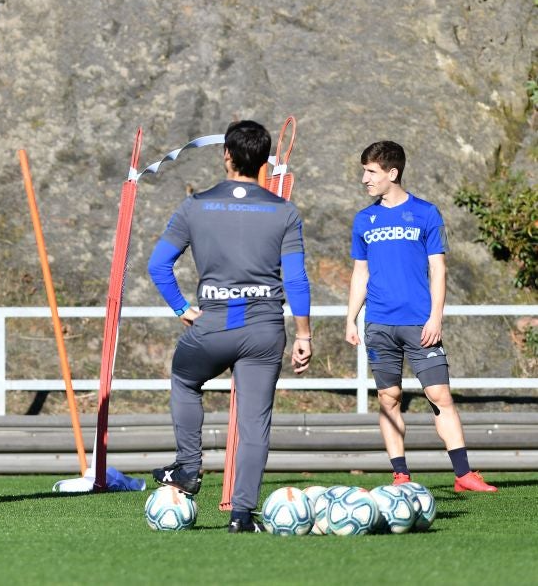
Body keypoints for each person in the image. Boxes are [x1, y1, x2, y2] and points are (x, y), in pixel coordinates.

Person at [146, 119, 312, 533]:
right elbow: (296, 279)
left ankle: (188, 467)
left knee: (185, 379)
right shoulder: (284, 211)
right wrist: (304, 334)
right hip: (264, 329)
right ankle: (241, 514)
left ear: (226, 155)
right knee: (254, 423)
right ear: (264, 161)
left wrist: (182, 308)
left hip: (214, 324)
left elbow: (158, 265)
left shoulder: (195, 205)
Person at [345, 140, 497, 493]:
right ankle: (401, 475)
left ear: (392, 173)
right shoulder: (363, 219)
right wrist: (350, 318)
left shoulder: (427, 213)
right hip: (379, 325)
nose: (365, 179)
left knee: (439, 394)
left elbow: (438, 269)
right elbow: (360, 273)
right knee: (389, 398)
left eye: (371, 172)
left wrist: (435, 318)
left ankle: (463, 475)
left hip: (419, 324)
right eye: (364, 171)